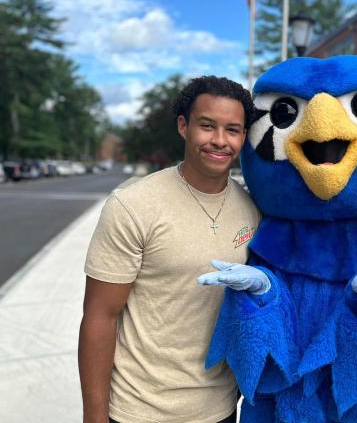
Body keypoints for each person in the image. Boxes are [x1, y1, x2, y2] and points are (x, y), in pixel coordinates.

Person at [78, 76, 261, 423]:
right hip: (139, 409)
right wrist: (94, 416)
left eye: (233, 130)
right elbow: (100, 316)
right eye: (207, 126)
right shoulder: (134, 205)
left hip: (220, 409)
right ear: (183, 126)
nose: (220, 141)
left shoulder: (252, 207)